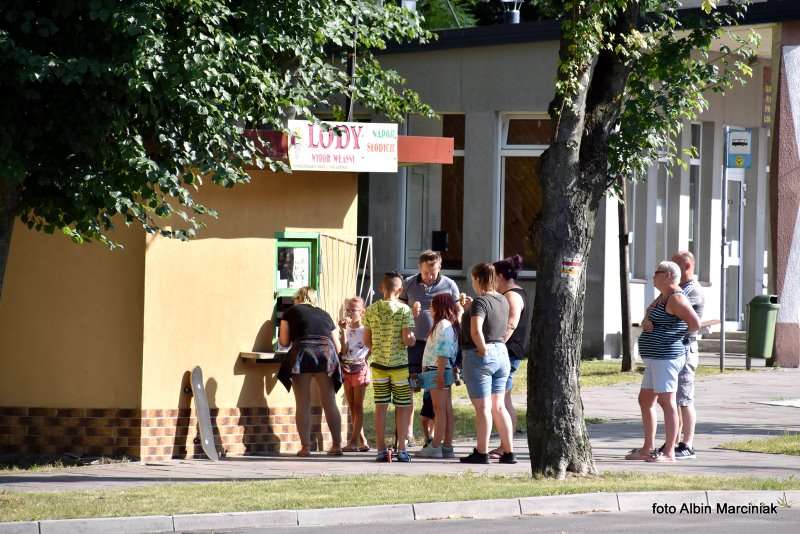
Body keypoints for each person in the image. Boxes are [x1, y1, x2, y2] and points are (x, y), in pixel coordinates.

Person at [627, 261, 700, 463]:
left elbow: (695, 324)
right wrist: (646, 323)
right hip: (655, 358)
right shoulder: (663, 296)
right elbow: (649, 316)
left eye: (656, 273)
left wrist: (673, 336)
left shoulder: (677, 298)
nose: (652, 277)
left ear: (668, 275)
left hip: (666, 356)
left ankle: (669, 452)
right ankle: (648, 447)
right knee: (645, 400)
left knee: (667, 402)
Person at [400, 250, 461, 448]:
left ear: (440, 267)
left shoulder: (450, 285)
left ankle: (435, 435)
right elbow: (399, 311)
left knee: (437, 394)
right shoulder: (409, 283)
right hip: (415, 343)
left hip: (440, 346)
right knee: (410, 385)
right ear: (419, 268)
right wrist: (411, 311)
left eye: (433, 272)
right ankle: (408, 432)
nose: (429, 276)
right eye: (426, 272)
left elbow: (457, 312)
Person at [459, 263, 516, 464]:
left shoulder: (480, 302)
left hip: (480, 355)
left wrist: (481, 349)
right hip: (501, 353)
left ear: (478, 279)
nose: (472, 283)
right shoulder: (502, 299)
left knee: (482, 407)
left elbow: (476, 330)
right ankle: (509, 451)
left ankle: (481, 452)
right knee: (498, 406)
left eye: (473, 279)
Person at [278, 287, 343, 457]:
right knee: (329, 402)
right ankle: (337, 445)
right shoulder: (325, 314)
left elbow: (284, 342)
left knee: (303, 403)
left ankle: (306, 447)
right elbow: (338, 346)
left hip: (303, 353)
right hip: (326, 354)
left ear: (298, 298)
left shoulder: (290, 312)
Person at [363, 272, 417, 462]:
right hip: (400, 366)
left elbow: (366, 340)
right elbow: (406, 339)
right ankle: (401, 448)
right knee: (402, 406)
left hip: (378, 365)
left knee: (381, 406)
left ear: (381, 288)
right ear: (400, 290)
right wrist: (411, 340)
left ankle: (380, 449)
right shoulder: (404, 310)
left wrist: (378, 349)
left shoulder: (370, 310)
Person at [663, 251, 704, 459]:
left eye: (675, 266)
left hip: (687, 348)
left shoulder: (691, 290)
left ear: (686, 267)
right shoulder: (679, 289)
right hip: (675, 348)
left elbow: (670, 305)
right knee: (674, 396)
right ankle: (673, 440)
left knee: (685, 398)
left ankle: (687, 444)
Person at [491, 254, 531, 458]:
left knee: (501, 401)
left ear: (500, 276)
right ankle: (506, 443)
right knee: (503, 399)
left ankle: (506, 445)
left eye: (493, 276)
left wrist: (496, 345)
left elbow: (511, 324)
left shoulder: (512, 295)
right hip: (507, 352)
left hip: (508, 353)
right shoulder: (511, 293)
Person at [416, 293, 459, 458]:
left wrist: (440, 374)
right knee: (446, 410)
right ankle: (447, 446)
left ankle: (435, 446)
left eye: (432, 305)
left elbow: (443, 351)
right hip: (439, 369)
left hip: (437, 370)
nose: (430, 309)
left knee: (439, 410)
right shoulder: (448, 324)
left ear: (439, 307)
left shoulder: (443, 325)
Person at [338, 296, 371, 453]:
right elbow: (343, 350)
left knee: (358, 407)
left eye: (354, 310)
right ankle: (362, 440)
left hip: (359, 369)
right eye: (348, 310)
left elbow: (371, 348)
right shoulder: (347, 329)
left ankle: (353, 442)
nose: (350, 313)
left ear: (362, 312)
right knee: (352, 407)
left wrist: (365, 361)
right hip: (346, 368)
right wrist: (343, 332)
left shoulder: (365, 330)